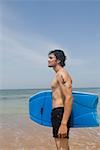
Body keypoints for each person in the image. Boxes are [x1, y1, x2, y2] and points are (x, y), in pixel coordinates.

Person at [48, 49, 73, 150]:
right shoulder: (59, 74)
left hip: (60, 113)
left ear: (58, 60)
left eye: (51, 58)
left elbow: (69, 97)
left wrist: (63, 123)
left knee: (61, 147)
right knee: (61, 146)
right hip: (58, 113)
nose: (48, 60)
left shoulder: (61, 74)